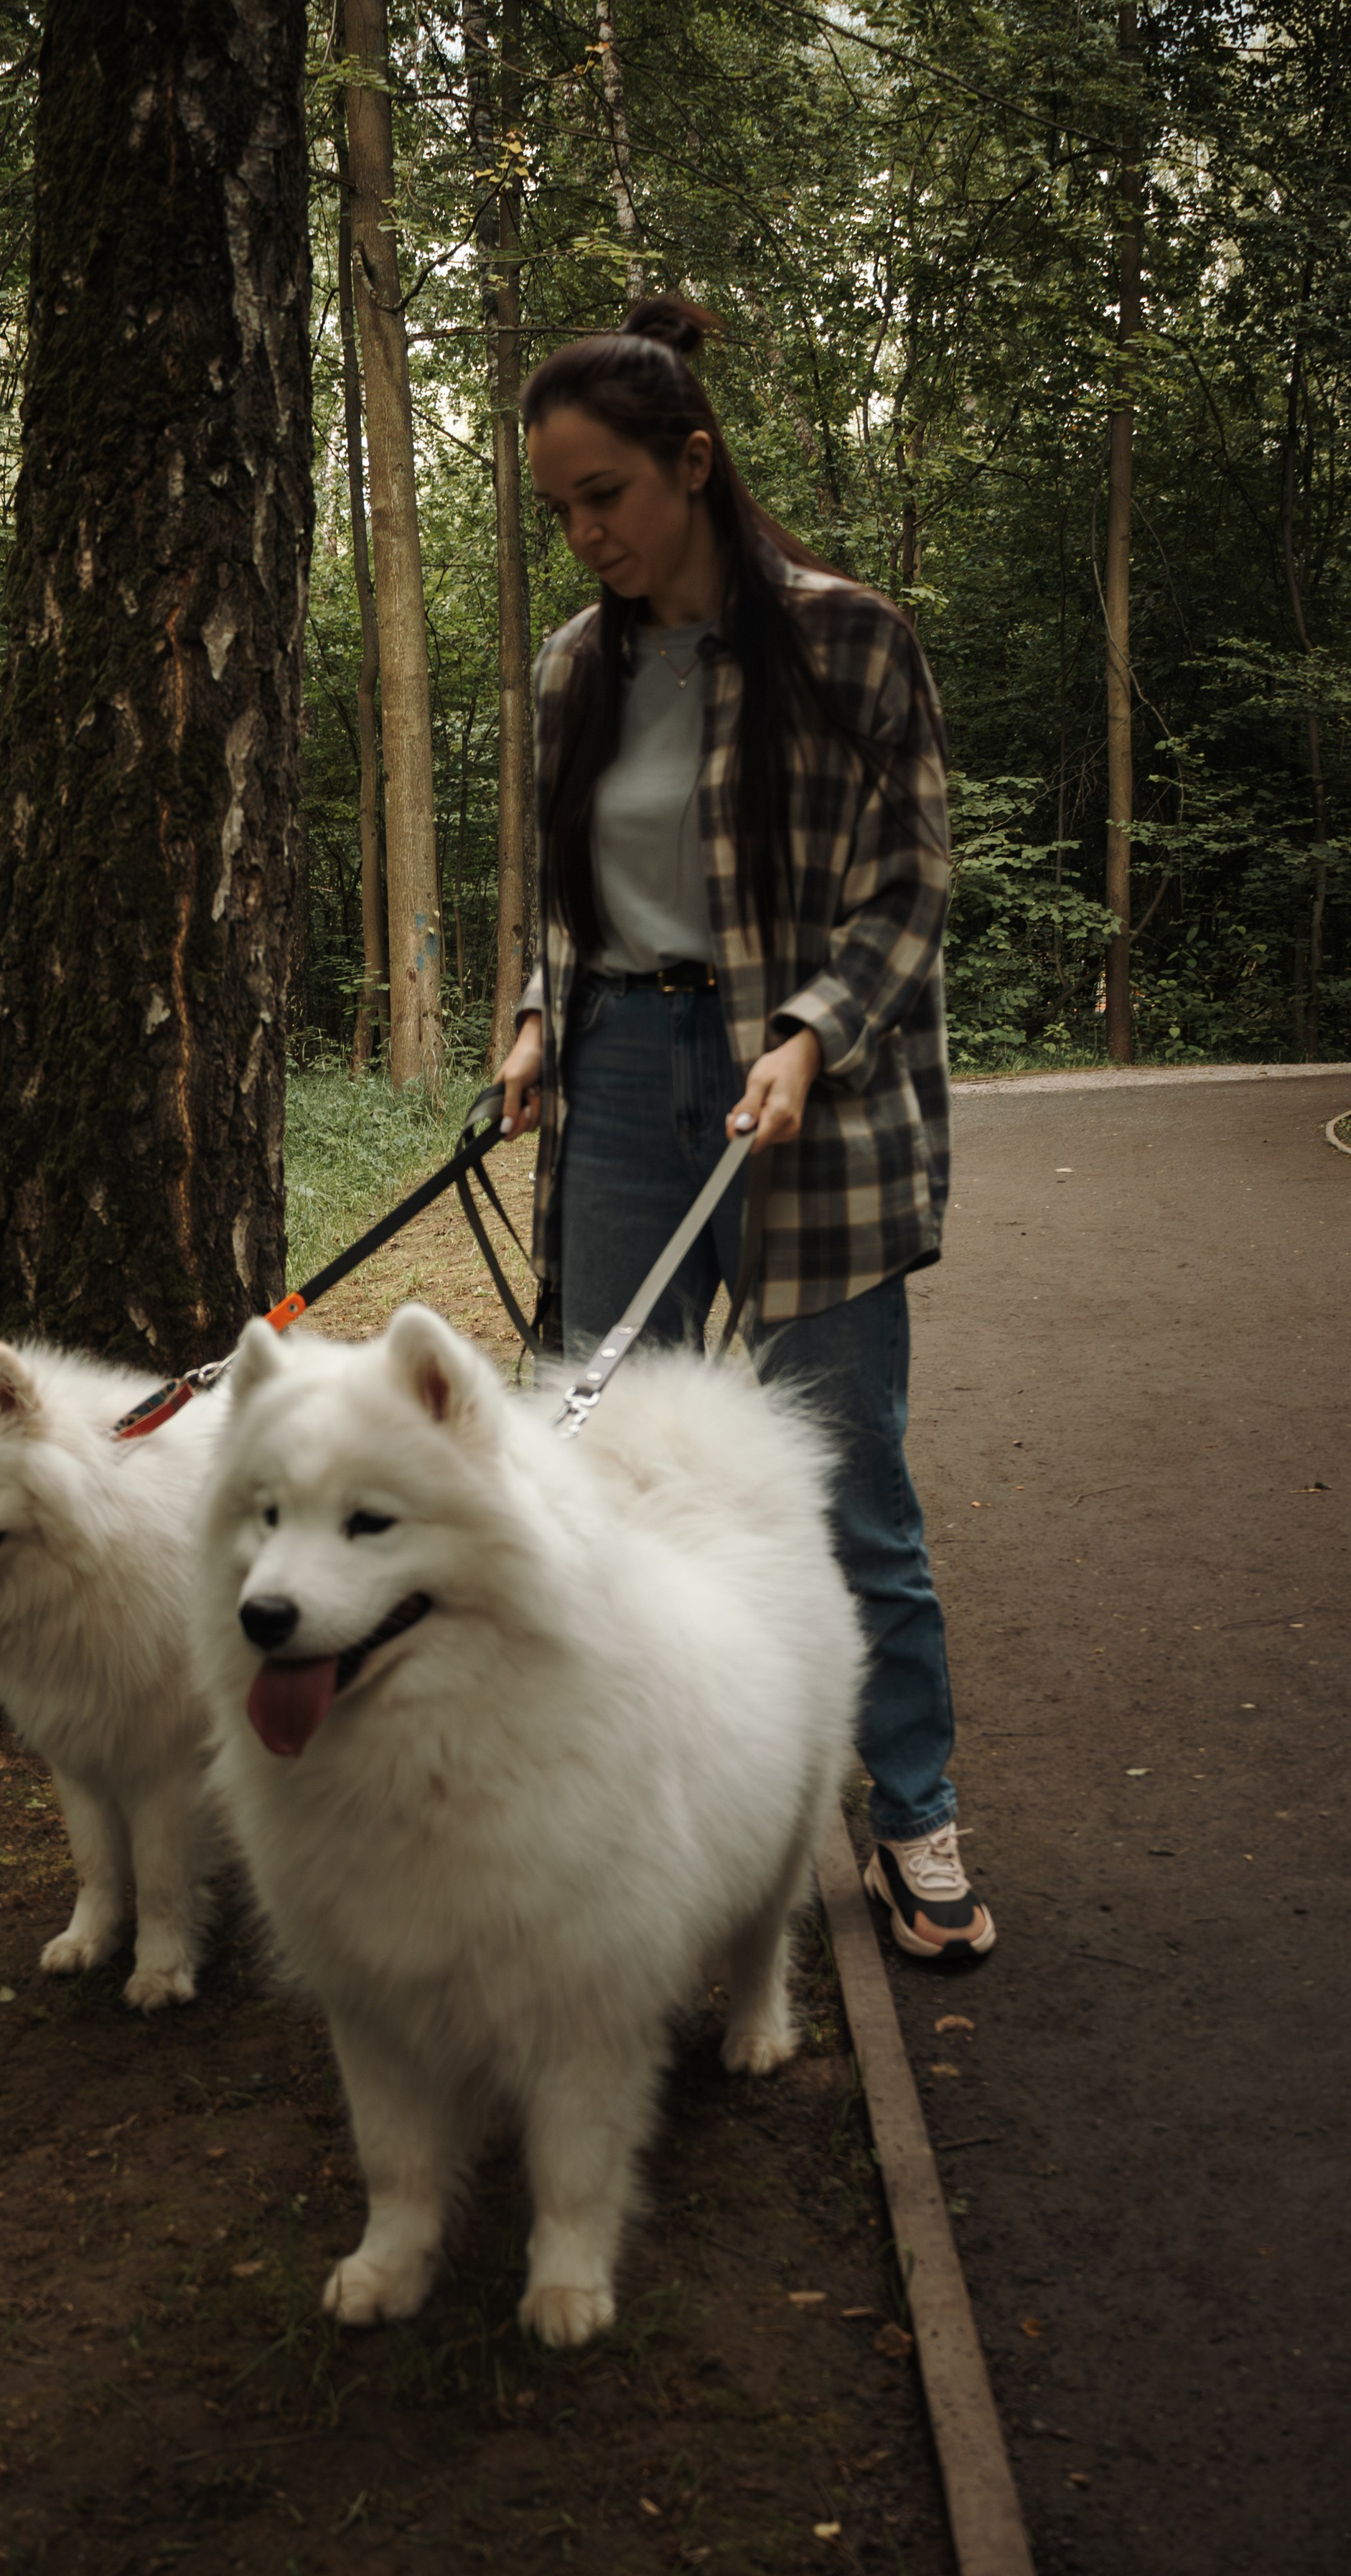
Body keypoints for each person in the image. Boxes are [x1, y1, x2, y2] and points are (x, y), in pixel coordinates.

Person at [495, 296, 993, 1962]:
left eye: (606, 496)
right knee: (603, 1476)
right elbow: (561, 906)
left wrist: (805, 1034)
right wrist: (531, 1022)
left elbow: (912, 883)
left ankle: (909, 1817)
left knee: (843, 1488)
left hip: (811, 1104)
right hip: (624, 1088)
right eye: (561, 507)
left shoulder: (853, 641)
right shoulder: (575, 669)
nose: (585, 534)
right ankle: (624, 1823)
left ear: (691, 466)